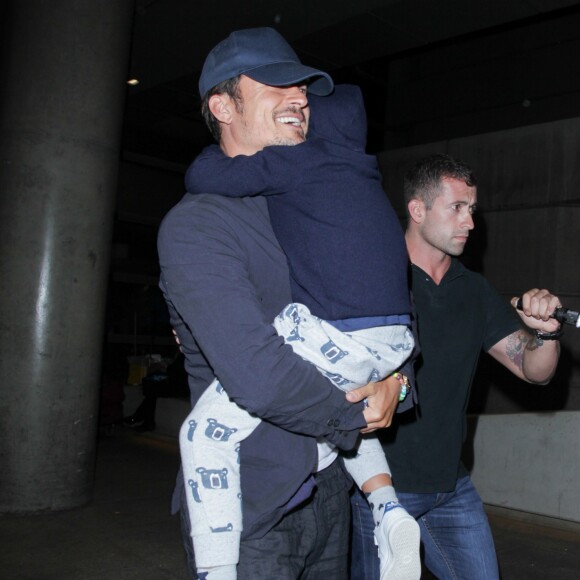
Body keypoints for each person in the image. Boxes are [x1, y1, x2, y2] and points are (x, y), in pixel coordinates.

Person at [157, 27, 403, 580]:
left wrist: (399, 383)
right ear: (222, 106)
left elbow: (378, 305)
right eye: (275, 85)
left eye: (302, 87)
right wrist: (355, 414)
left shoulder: (307, 201)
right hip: (254, 508)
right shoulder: (198, 224)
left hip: (331, 494)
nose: (299, 98)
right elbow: (258, 372)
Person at [350, 153, 563, 580]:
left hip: (452, 487)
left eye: (472, 210)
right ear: (417, 209)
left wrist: (549, 333)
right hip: (381, 486)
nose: (470, 222)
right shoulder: (373, 277)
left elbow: (533, 370)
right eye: (457, 208)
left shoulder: (475, 291)